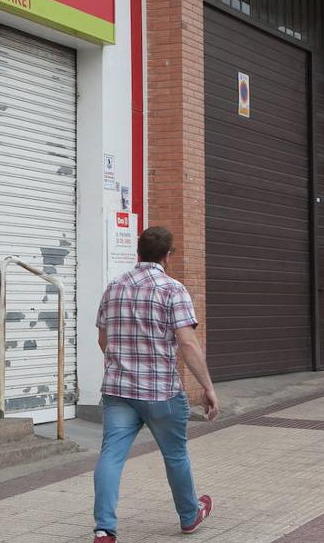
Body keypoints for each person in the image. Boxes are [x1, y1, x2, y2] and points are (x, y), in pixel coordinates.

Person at [92, 226, 217, 542]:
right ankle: (189, 516)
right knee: (175, 455)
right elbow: (187, 343)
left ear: (138, 252)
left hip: (118, 391)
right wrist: (208, 387)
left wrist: (124, 363)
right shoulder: (173, 290)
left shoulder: (114, 287)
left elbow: (103, 339)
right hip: (161, 393)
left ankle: (104, 529)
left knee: (111, 456)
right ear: (168, 256)